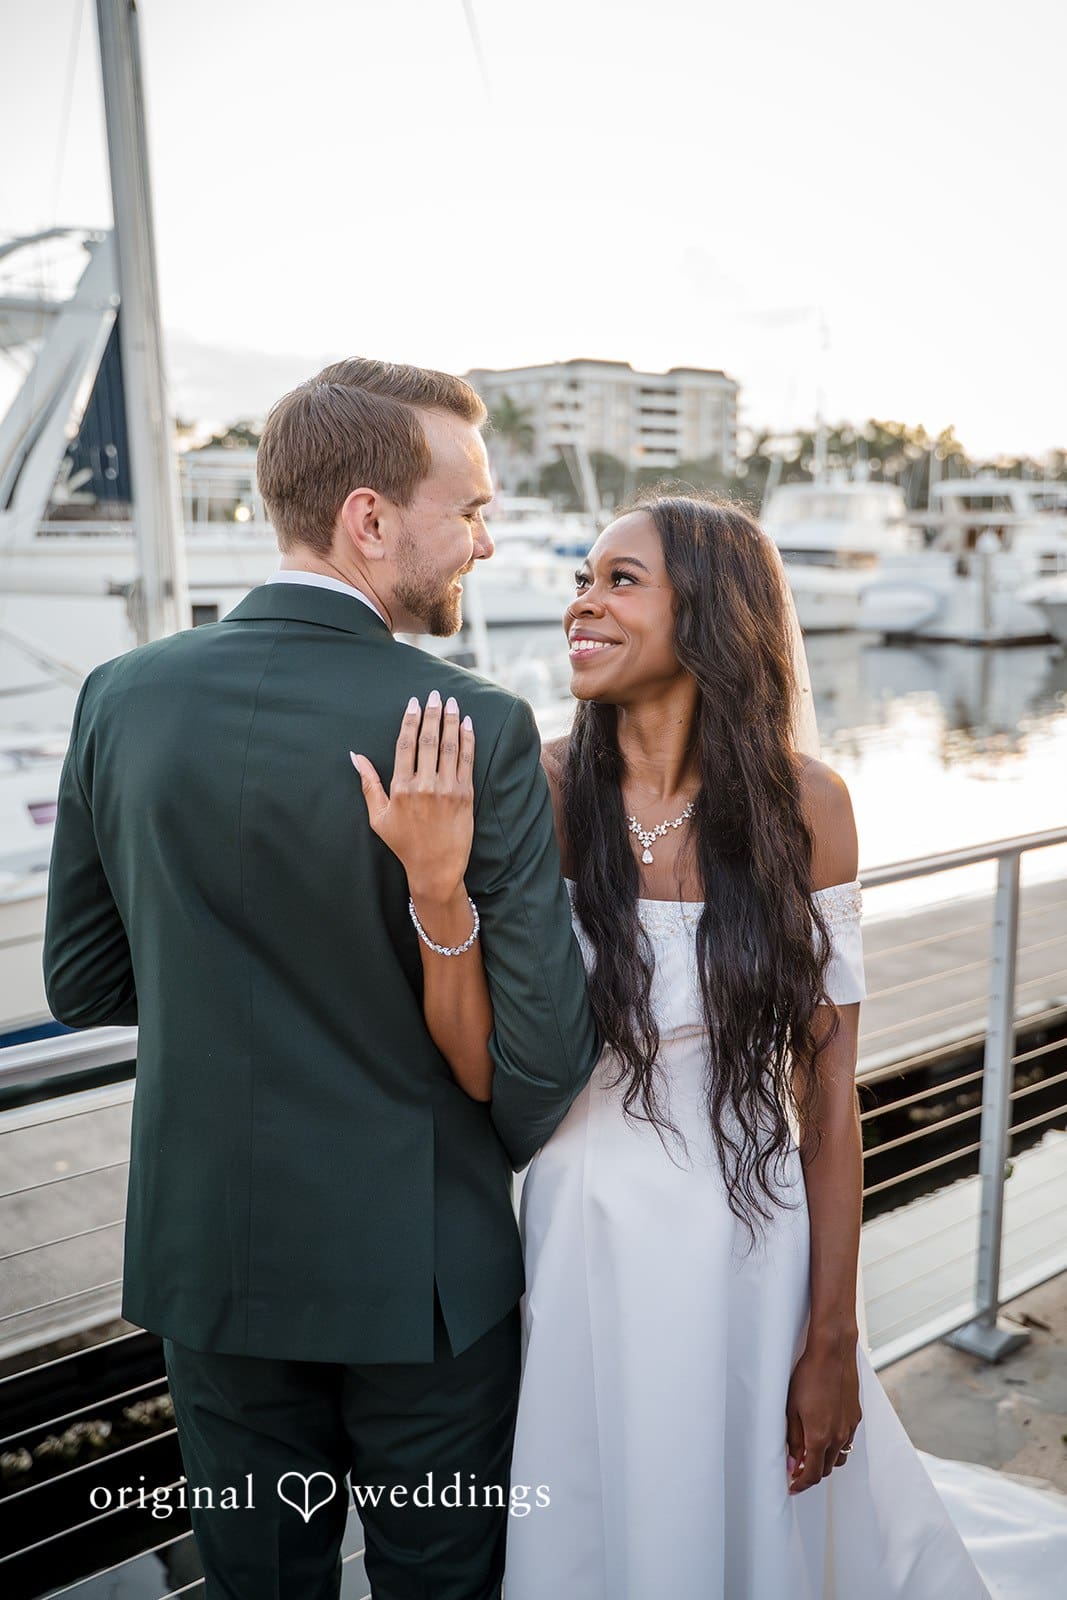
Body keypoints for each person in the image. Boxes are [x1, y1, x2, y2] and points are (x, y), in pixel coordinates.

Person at [381, 492, 1065, 1598]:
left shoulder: (807, 806)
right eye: (580, 579)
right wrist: (437, 888)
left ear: (710, 611)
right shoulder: (545, 789)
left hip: (750, 1245)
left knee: (747, 1519)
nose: (581, 605)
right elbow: (480, 1060)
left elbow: (828, 1088)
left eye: (618, 580)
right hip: (580, 1229)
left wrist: (833, 1335)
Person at [42, 359, 599, 1600]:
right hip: (425, 1277)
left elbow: (81, 979)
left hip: (209, 1257)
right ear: (368, 517)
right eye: (469, 507)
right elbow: (543, 1065)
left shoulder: (119, 697)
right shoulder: (472, 723)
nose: (485, 539)